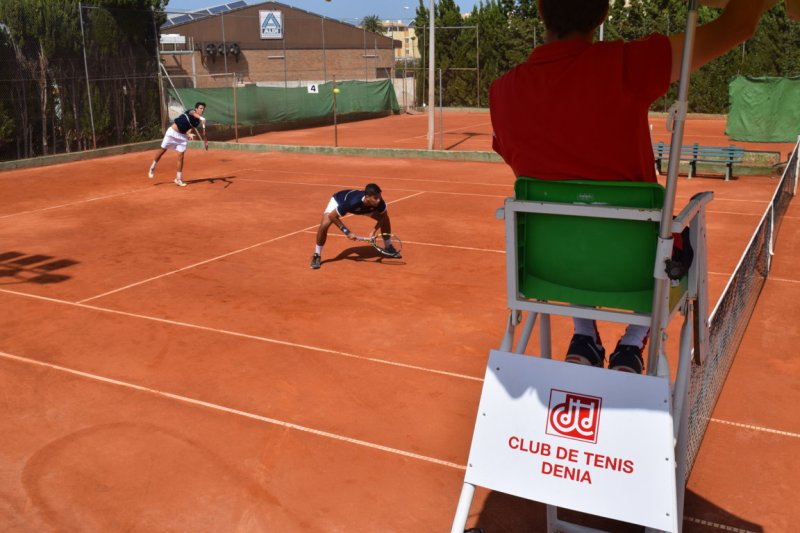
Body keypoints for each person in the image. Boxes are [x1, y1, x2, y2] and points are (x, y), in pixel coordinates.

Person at [489, 0, 780, 374]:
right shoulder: (625, 64)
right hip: (638, 271)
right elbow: (735, 27)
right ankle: (630, 344)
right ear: (603, 14)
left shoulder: (502, 91)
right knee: (678, 238)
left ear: (542, 12)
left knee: (577, 227)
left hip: (547, 274)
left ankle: (584, 336)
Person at [311, 183, 401, 269]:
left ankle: (388, 246)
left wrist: (373, 231)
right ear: (367, 197)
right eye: (375, 198)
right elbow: (332, 216)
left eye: (379, 197)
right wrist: (347, 232)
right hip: (339, 201)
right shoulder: (353, 201)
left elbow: (383, 217)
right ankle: (317, 255)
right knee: (324, 225)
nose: (379, 200)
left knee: (386, 219)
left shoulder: (379, 202)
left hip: (365, 208)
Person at [148, 102, 207, 187]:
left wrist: (189, 134)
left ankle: (178, 179)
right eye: (201, 108)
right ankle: (152, 167)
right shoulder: (191, 112)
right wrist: (201, 118)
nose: (202, 110)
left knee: (181, 156)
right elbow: (194, 114)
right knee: (162, 150)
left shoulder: (197, 122)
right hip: (172, 133)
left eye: (203, 109)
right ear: (196, 108)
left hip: (182, 137)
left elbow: (189, 129)